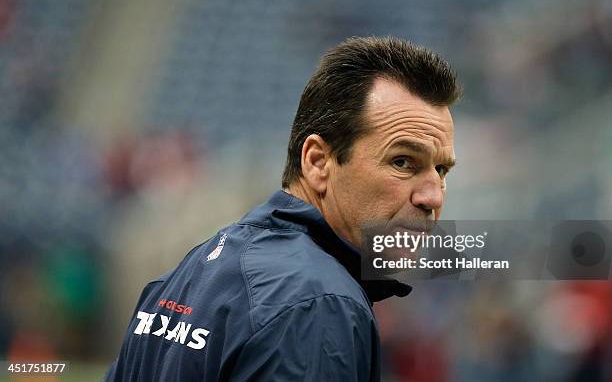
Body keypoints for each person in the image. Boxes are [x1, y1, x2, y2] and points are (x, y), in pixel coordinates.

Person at [104, 35, 461, 381]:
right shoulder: (319, 304)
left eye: (441, 170)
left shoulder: (188, 273)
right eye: (403, 162)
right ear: (318, 162)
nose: (432, 197)